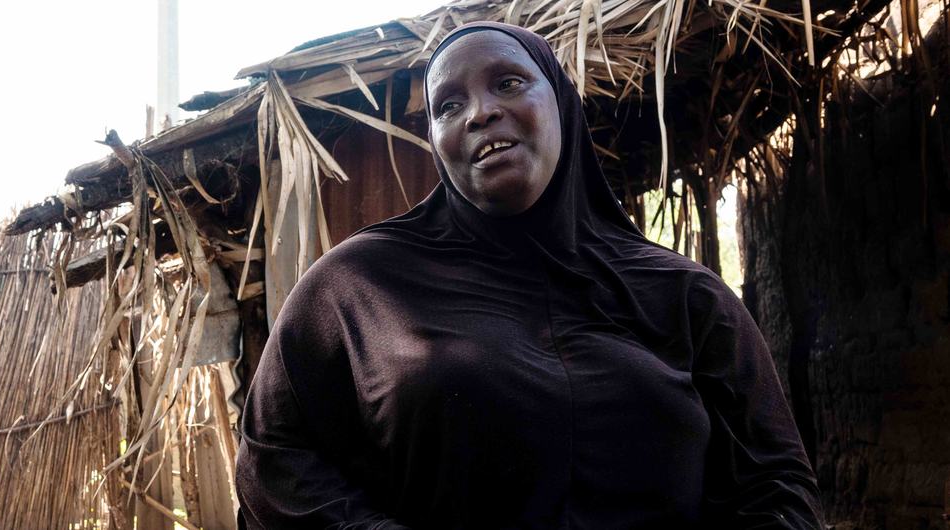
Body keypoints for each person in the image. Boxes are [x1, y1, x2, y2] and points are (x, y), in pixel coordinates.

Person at [235, 21, 824, 529]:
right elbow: (274, 460)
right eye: (447, 106)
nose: (481, 112)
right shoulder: (357, 285)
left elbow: (777, 481)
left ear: (561, 102)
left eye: (509, 82)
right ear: (436, 143)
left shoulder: (684, 295)